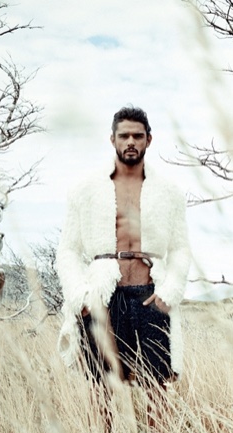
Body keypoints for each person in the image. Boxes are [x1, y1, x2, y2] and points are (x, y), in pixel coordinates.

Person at [55, 106, 192, 395]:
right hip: (102, 297)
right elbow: (67, 250)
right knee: (101, 385)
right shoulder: (86, 188)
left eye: (137, 136)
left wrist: (170, 292)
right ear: (112, 139)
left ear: (149, 140)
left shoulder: (169, 192)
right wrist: (81, 295)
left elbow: (180, 248)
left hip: (150, 296)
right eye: (124, 135)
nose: (131, 142)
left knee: (158, 386)